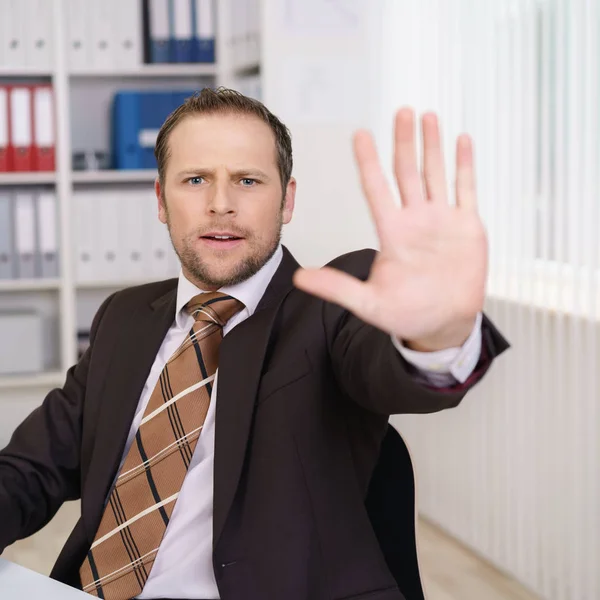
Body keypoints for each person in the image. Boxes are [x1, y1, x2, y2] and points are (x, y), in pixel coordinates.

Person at [0, 87, 509, 600]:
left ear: (286, 200)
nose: (221, 204)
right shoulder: (125, 316)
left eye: (247, 180)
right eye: (196, 179)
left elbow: (391, 368)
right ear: (161, 200)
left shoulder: (330, 309)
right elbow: (30, 469)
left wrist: (437, 335)